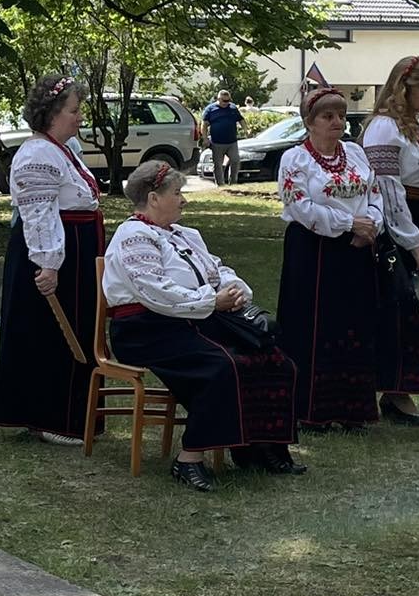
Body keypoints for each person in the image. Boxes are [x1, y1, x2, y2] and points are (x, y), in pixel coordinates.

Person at [105, 160, 302, 490]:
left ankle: (260, 448)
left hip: (194, 319)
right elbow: (155, 292)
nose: (183, 200)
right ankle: (188, 459)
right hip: (146, 329)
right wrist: (211, 301)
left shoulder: (185, 234)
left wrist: (235, 290)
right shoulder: (132, 237)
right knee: (222, 367)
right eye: (177, 193)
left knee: (275, 361)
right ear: (153, 198)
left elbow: (217, 270)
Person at [0, 74, 103, 444]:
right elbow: (39, 215)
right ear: (53, 113)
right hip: (54, 254)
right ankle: (53, 417)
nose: (80, 117)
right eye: (74, 110)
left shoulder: (60, 149)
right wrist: (49, 263)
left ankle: (71, 414)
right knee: (53, 333)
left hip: (73, 251)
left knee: (73, 327)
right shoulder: (38, 154)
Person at [275, 86, 384, 430]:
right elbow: (300, 207)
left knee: (354, 323)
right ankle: (312, 410)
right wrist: (349, 222)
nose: (337, 121)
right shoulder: (296, 159)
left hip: (356, 247)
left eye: (340, 115)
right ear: (310, 122)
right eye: (328, 116)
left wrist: (370, 227)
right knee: (313, 325)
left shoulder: (355, 153)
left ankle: (353, 409)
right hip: (313, 249)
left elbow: (374, 193)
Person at [362, 55, 419, 424]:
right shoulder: (384, 128)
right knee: (401, 308)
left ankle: (401, 390)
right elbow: (389, 192)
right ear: (403, 88)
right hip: (400, 226)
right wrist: (414, 243)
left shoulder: (411, 127)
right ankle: (393, 390)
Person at [201, 89, 244, 186]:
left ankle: (233, 182)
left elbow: (241, 119)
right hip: (217, 142)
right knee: (218, 165)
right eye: (224, 101)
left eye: (228, 100)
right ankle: (220, 185)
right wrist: (205, 138)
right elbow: (204, 125)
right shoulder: (210, 109)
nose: (226, 103)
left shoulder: (232, 108)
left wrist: (246, 129)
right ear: (218, 99)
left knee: (235, 160)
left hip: (231, 141)